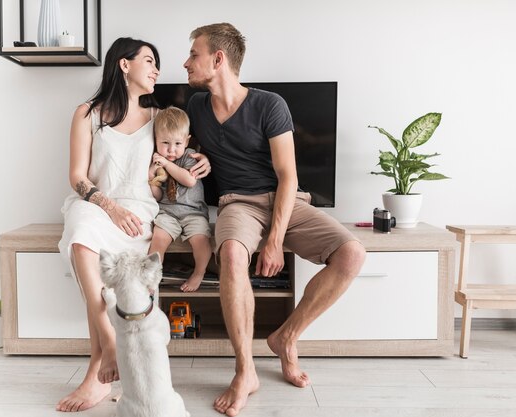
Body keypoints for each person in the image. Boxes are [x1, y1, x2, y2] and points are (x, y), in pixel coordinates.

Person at [183, 23, 366, 416]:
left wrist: (274, 240)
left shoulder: (269, 104)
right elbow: (183, 143)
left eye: (193, 54)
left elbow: (289, 176)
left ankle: (286, 337)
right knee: (231, 255)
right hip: (237, 204)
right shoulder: (195, 107)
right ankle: (245, 370)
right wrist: (197, 155)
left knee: (352, 254)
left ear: (218, 59)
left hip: (286, 199)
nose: (186, 63)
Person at [57, 37, 210, 412]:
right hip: (96, 204)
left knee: (114, 272)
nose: (157, 69)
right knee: (80, 235)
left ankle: (98, 371)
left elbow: (181, 149)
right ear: (124, 65)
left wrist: (200, 161)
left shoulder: (161, 117)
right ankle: (108, 346)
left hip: (140, 213)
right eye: (149, 61)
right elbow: (77, 176)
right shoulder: (87, 113)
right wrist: (110, 208)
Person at [147, 106, 212, 292]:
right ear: (156, 141)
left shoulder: (189, 156)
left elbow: (189, 180)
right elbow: (159, 196)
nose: (171, 150)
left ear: (186, 141)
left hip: (193, 212)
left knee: (201, 240)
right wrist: (152, 181)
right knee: (158, 239)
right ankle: (153, 276)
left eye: (177, 143)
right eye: (165, 143)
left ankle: (199, 273)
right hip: (168, 212)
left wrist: (167, 164)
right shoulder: (156, 163)